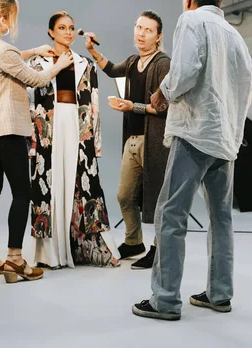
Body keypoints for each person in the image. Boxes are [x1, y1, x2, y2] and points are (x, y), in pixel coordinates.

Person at [132, 0, 252, 320]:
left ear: (189, 0)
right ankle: (219, 294)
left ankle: (166, 300)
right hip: (224, 138)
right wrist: (233, 134)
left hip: (195, 131)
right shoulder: (234, 35)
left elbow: (185, 71)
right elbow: (245, 87)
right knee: (221, 218)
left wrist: (163, 91)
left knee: (171, 213)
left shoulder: (192, 20)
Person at [0, 0, 73, 283]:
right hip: (7, 130)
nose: (13, 23)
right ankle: (15, 260)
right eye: (12, 18)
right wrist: (59, 64)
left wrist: (35, 51)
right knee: (21, 193)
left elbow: (8, 59)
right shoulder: (4, 51)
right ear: (2, 18)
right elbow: (36, 79)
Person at [28, 11, 119, 269]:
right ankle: (48, 254)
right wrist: (31, 140)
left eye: (71, 28)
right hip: (48, 128)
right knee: (49, 184)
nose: (68, 32)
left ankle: (83, 248)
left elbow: (94, 104)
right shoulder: (37, 63)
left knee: (81, 183)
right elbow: (28, 100)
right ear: (51, 32)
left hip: (78, 127)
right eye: (62, 28)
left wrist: (95, 141)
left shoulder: (85, 64)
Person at [85, 11, 171, 268]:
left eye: (147, 30)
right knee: (124, 196)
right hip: (132, 140)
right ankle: (134, 241)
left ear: (158, 37)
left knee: (158, 200)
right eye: (138, 27)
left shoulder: (162, 63)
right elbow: (111, 69)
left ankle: (159, 248)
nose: (141, 33)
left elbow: (165, 108)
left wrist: (132, 106)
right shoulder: (134, 61)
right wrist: (92, 50)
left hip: (154, 142)